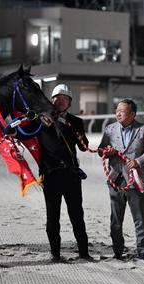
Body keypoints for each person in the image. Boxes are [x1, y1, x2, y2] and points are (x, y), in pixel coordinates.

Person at [38, 83, 92, 262]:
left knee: (77, 215)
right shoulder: (41, 120)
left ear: (69, 102)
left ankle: (84, 252)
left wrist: (70, 126)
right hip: (50, 175)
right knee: (52, 217)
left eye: (64, 99)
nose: (60, 101)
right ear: (51, 100)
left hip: (71, 175)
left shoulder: (76, 122)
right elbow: (22, 134)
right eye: (57, 98)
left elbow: (84, 147)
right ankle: (55, 254)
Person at [98, 99, 144, 261]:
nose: (118, 113)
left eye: (122, 111)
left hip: (136, 179)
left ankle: (142, 250)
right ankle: (117, 250)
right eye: (117, 110)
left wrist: (137, 161)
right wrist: (106, 152)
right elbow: (101, 150)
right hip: (115, 179)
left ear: (132, 114)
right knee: (116, 219)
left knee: (139, 218)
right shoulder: (109, 130)